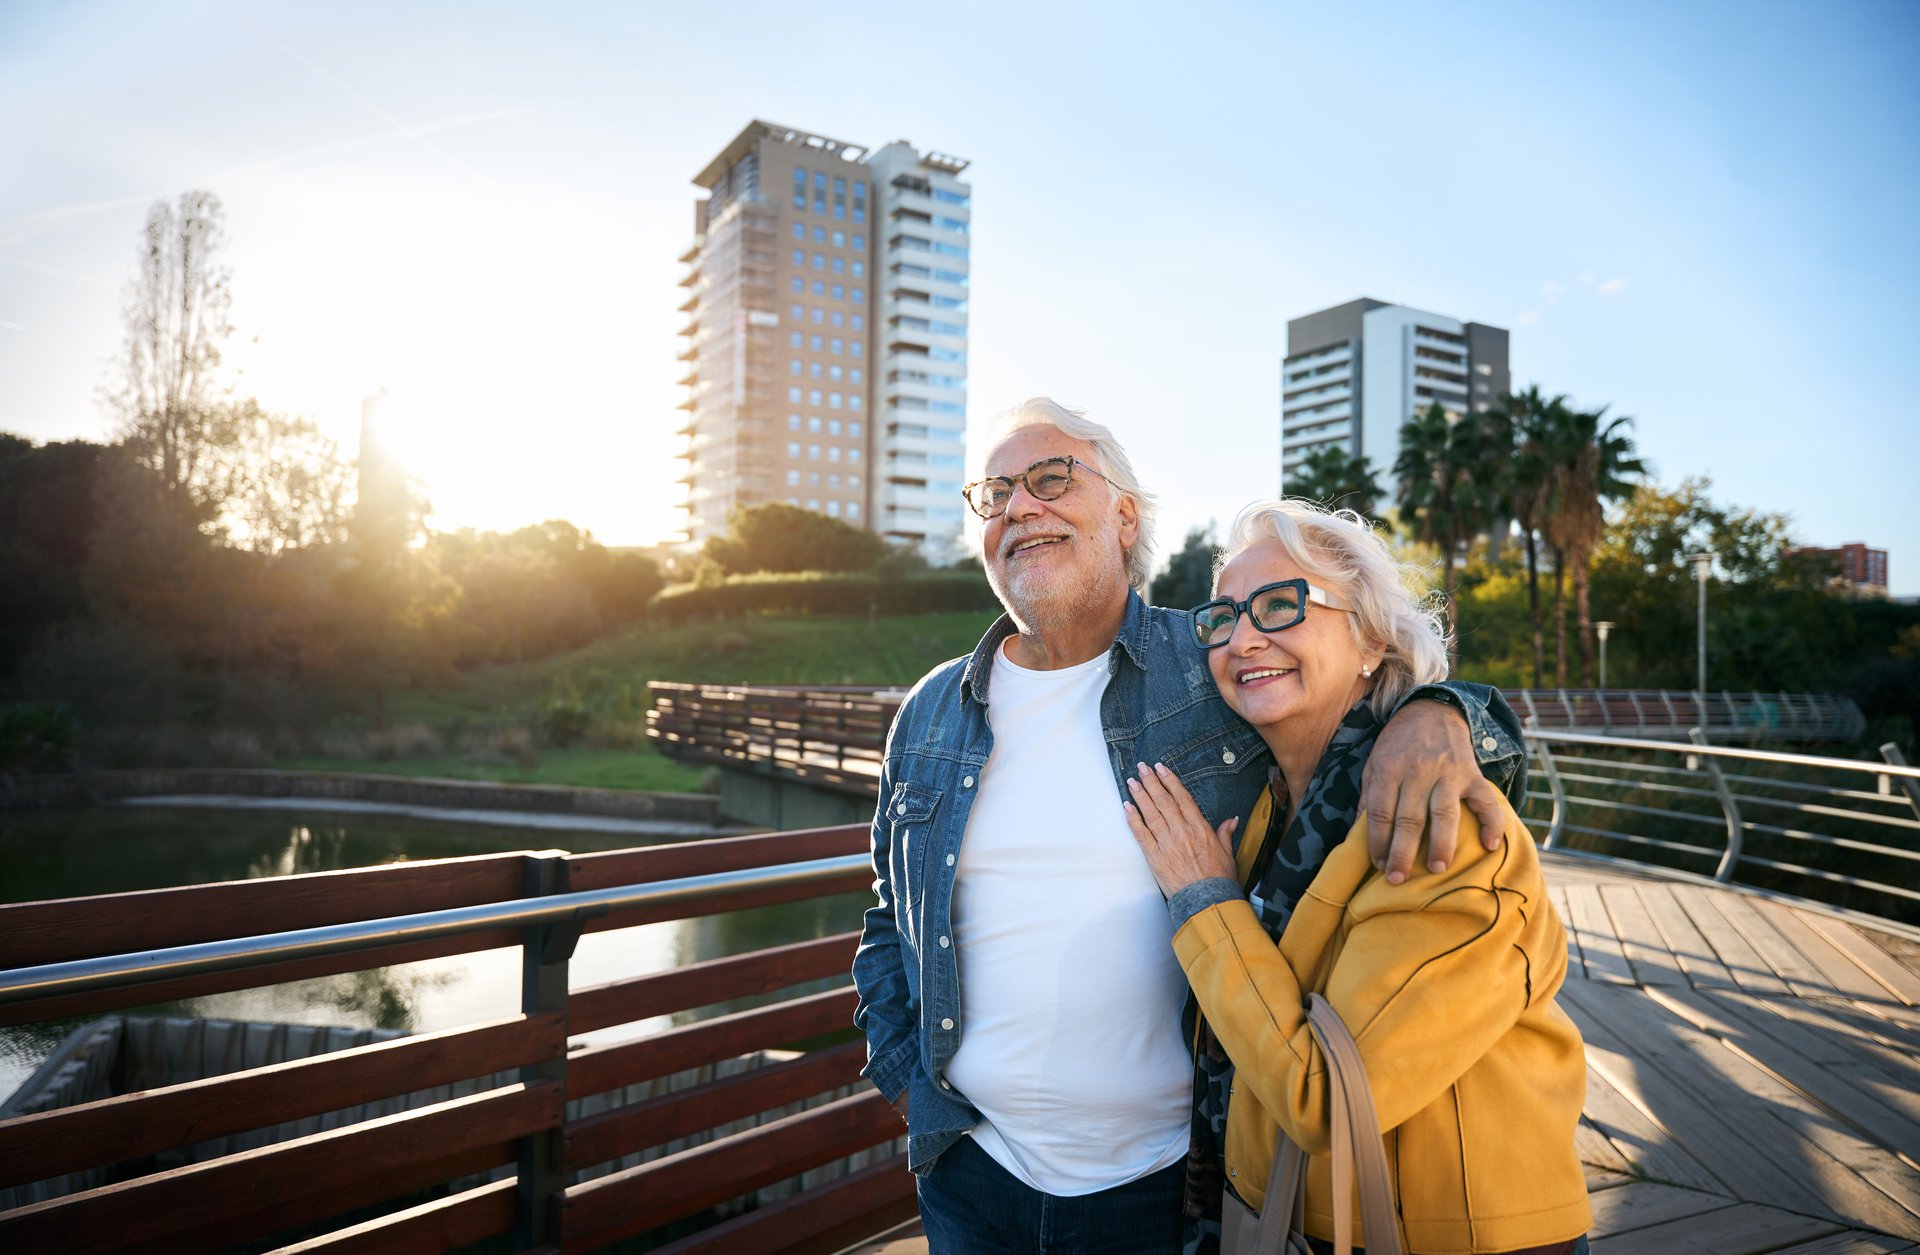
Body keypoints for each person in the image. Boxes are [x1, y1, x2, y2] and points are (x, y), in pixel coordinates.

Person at [852, 398, 1531, 1255]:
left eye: (1051, 478)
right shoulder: (929, 711)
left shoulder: (1214, 661)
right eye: (994, 494)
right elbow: (888, 910)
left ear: (1125, 515)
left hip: (1166, 1181)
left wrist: (1442, 713)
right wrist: (907, 1077)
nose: (1019, 506)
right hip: (969, 1177)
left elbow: (1346, 685)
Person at [1123, 498, 1590, 1255]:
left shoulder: (1441, 825)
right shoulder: (1268, 814)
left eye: (1281, 605)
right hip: (1291, 1221)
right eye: (1224, 616)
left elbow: (1330, 1102)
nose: (1243, 637)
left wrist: (1203, 900)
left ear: (1372, 638)